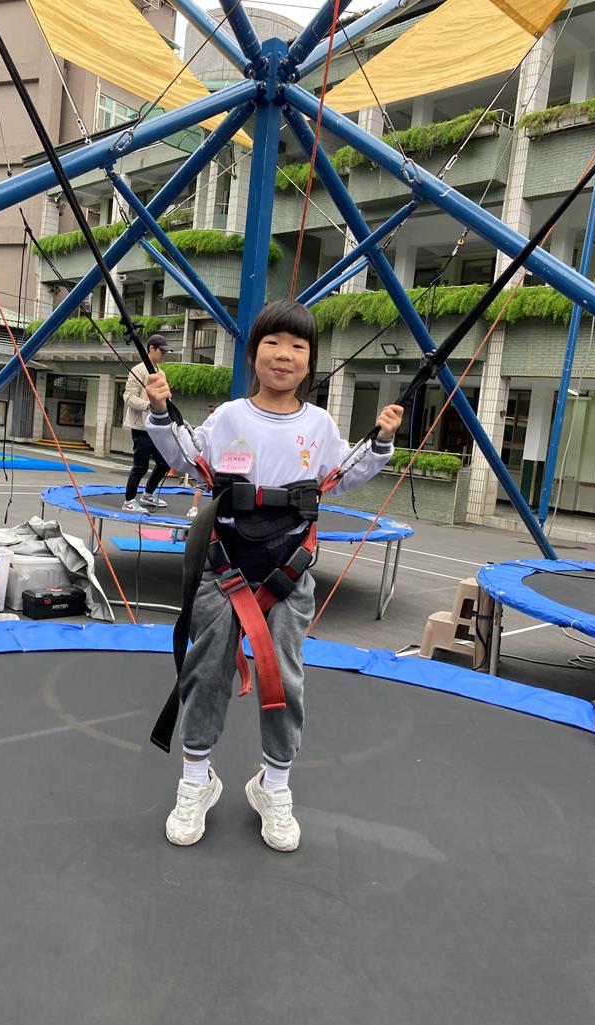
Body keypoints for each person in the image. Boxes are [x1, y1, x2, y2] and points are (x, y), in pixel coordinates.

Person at [145, 299, 403, 852]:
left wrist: (379, 441)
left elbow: (342, 474)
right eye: (272, 343)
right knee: (206, 669)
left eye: (297, 346)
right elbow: (189, 457)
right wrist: (163, 412)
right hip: (225, 564)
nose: (283, 355)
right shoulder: (229, 418)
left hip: (289, 568)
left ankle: (274, 785)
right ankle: (196, 780)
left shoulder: (319, 425)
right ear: (253, 353)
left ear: (310, 360)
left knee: (283, 676)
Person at [121, 334, 172, 513]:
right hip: (141, 427)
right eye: (161, 351)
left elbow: (164, 396)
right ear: (151, 348)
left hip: (157, 428)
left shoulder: (161, 373)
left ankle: (148, 494)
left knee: (165, 463)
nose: (163, 354)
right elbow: (128, 396)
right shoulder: (138, 370)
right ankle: (129, 501)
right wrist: (148, 405)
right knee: (140, 466)